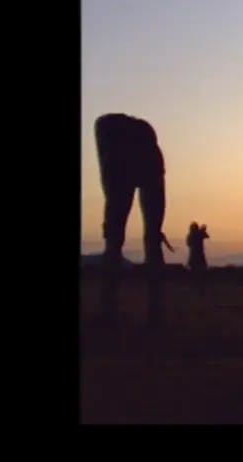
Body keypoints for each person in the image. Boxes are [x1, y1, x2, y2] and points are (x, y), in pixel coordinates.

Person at [94, 113, 170, 327]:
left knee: (118, 238)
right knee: (147, 238)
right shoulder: (133, 131)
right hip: (144, 156)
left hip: (134, 156)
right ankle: (154, 311)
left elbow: (110, 183)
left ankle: (112, 309)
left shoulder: (107, 129)